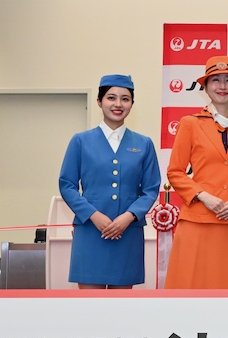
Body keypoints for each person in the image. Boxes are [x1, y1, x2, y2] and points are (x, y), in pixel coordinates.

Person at [59, 74, 160, 289]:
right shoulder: (80, 141)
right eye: (111, 98)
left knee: (121, 310)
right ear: (99, 101)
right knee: (89, 308)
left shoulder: (144, 143)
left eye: (125, 99)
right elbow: (67, 185)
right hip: (90, 231)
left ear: (132, 104)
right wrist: (93, 215)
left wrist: (129, 217)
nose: (118, 104)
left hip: (128, 233)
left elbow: (151, 188)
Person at [164, 56, 228, 289]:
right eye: (215, 80)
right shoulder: (190, 123)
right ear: (205, 87)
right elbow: (175, 172)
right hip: (198, 218)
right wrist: (203, 196)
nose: (222, 86)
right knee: (191, 285)